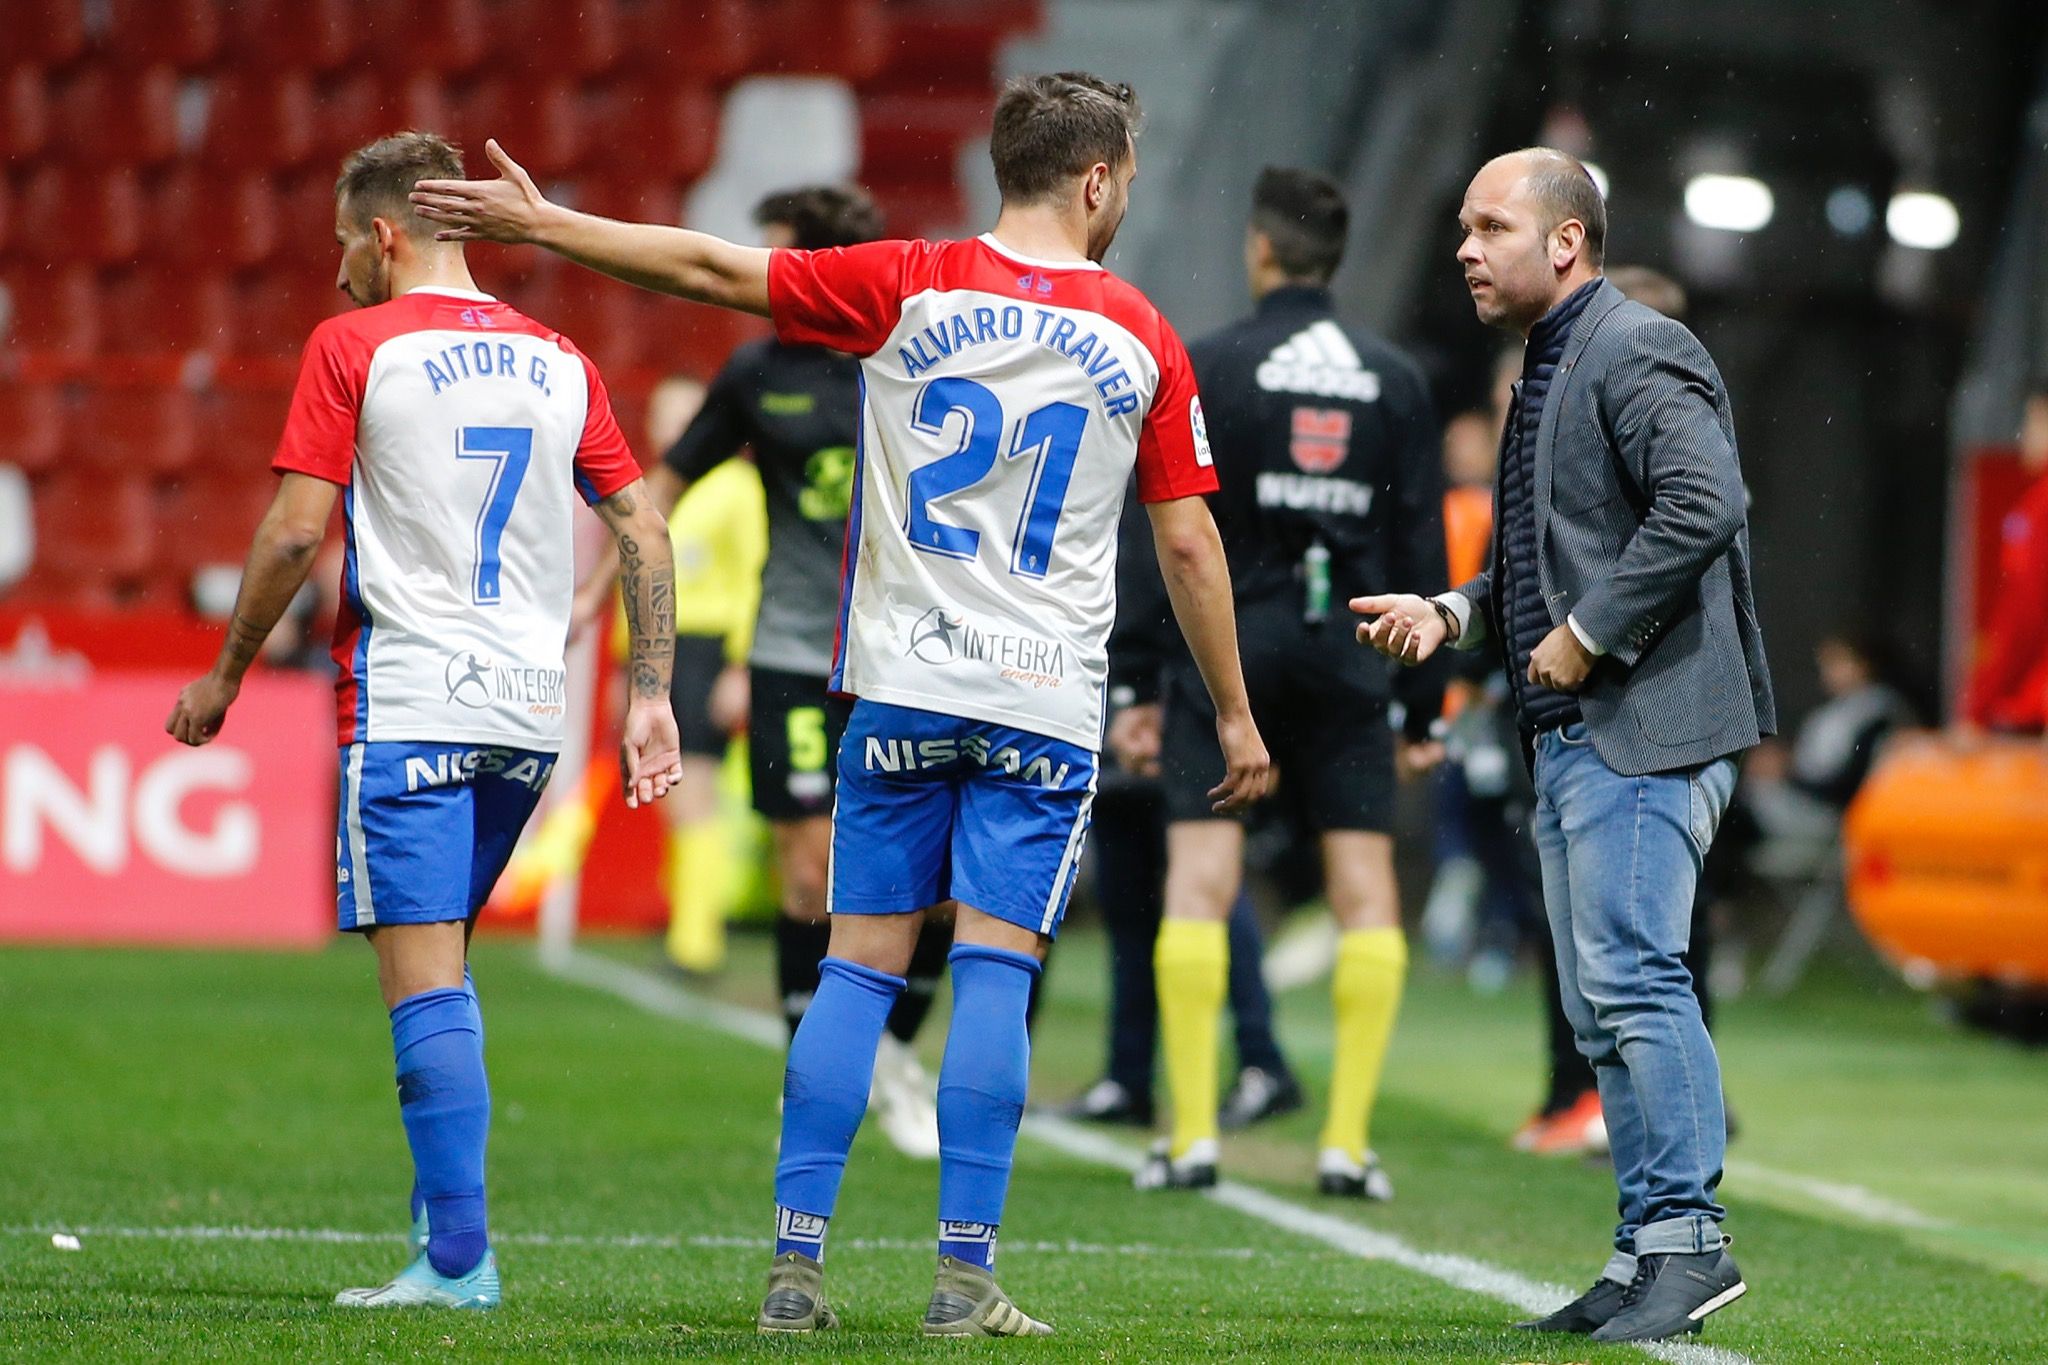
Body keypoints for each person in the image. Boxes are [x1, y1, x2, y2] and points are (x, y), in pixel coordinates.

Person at [412, 71, 1271, 1338]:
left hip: (897, 690)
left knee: (855, 968)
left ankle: (794, 1270)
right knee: (992, 968)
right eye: (1128, 177)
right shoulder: (1140, 331)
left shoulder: (904, 281)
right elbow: (1190, 549)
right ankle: (963, 1279)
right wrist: (1235, 716)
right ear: (1098, 179)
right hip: (1038, 706)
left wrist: (548, 228)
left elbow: (708, 271)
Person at [165, 132, 682, 1310]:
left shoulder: (355, 346)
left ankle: (458, 1263)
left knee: (425, 984)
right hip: (526, 720)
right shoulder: (561, 359)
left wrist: (227, 674)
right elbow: (644, 531)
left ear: (385, 235)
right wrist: (646, 693)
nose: (338, 266)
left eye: (345, 242)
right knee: (443, 965)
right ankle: (441, 1222)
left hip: (407, 706)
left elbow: (297, 532)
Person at [1356, 147, 1774, 1343]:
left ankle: (1688, 1241)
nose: (1463, 248)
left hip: (1644, 727)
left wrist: (1588, 634)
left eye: (1488, 226)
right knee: (1600, 1006)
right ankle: (1647, 1251)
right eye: (1461, 226)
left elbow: (1707, 503)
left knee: (1635, 978)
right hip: (1577, 731)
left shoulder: (1635, 344)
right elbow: (1548, 559)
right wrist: (1448, 614)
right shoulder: (1552, 357)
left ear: (1564, 242)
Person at [577, 186, 952, 1159]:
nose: (763, 273)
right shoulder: (753, 371)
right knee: (803, 875)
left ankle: (893, 1055)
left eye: (778, 253)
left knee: (939, 887)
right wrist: (599, 580)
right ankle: (811, 1075)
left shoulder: (906, 360)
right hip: (793, 654)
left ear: (823, 267)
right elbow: (661, 484)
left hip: (908, 655)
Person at [1136, 166, 1446, 1200]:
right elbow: (1417, 540)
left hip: (1234, 643)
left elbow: (1173, 531)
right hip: (1354, 650)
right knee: (1364, 888)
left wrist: (1137, 675)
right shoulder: (1394, 379)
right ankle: (1344, 1146)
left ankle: (1187, 1140)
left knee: (1199, 881)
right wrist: (1419, 705)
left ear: (1259, 250)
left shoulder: (1210, 363)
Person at [1059, 492, 1302, 1131]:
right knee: (1130, 883)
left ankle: (1261, 1059)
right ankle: (1129, 1074)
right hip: (1122, 672)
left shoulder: (1176, 445)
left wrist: (1153, 686)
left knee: (1204, 879)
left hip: (1177, 682)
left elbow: (1188, 557)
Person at [1962, 376, 2048, 733]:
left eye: (2031, 421)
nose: (2022, 435)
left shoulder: (2040, 508)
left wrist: (1978, 708)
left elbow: (2026, 613)